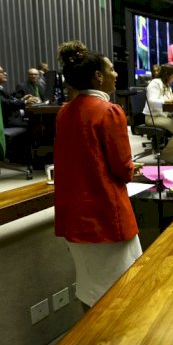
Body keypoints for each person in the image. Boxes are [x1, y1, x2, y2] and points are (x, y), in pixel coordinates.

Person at [53, 41, 142, 308]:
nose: (116, 75)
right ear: (98, 77)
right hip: (104, 214)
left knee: (89, 288)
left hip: (74, 215)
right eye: (112, 70)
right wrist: (131, 168)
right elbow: (121, 169)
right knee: (122, 289)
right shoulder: (109, 111)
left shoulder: (64, 112)